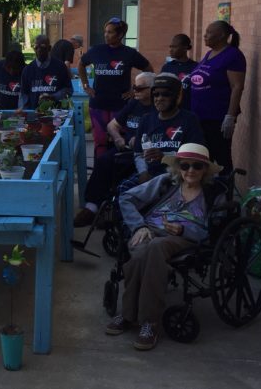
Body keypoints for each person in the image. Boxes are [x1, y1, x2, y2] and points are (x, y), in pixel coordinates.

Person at [106, 143, 223, 351]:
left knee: (155, 247)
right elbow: (126, 198)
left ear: (205, 169)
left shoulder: (212, 193)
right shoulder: (166, 182)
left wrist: (182, 230)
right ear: (178, 167)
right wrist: (139, 226)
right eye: (185, 165)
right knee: (140, 252)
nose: (190, 171)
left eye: (197, 166)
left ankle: (149, 321)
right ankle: (129, 315)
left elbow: (212, 230)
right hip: (151, 229)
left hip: (185, 237)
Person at [74, 72, 156, 227]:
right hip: (126, 147)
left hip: (145, 152)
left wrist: (140, 140)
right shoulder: (134, 103)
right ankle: (92, 207)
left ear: (152, 89)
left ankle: (111, 211)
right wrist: (118, 138)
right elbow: (112, 125)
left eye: (139, 88)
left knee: (120, 168)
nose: (135, 91)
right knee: (103, 160)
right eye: (134, 87)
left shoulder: (156, 109)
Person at [78, 18, 153, 158]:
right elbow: (81, 64)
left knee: (119, 141)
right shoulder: (96, 50)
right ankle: (100, 169)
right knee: (100, 141)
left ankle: (118, 169)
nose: (106, 35)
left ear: (120, 35)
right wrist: (86, 85)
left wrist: (134, 91)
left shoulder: (129, 53)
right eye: (105, 32)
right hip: (98, 103)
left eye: (110, 32)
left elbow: (148, 69)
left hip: (120, 105)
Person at [121, 73, 205, 195]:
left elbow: (194, 157)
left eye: (166, 94)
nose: (159, 98)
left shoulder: (189, 120)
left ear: (177, 97)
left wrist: (164, 157)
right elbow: (138, 154)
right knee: (123, 191)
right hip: (149, 173)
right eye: (156, 94)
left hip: (178, 175)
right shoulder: (146, 120)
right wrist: (143, 173)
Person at [190, 21, 246, 173]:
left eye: (209, 32)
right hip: (199, 116)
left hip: (217, 118)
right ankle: (205, 187)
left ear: (221, 35)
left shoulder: (233, 55)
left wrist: (230, 116)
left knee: (221, 157)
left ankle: (225, 186)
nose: (205, 35)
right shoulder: (210, 53)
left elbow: (237, 86)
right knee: (202, 157)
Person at [19, 34, 73, 110]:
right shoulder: (28, 70)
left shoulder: (60, 67)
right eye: (36, 47)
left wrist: (53, 97)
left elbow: (68, 90)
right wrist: (23, 110)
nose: (39, 50)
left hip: (56, 113)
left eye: (43, 47)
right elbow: (23, 94)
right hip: (34, 113)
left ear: (49, 48)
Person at [161, 33, 197, 110]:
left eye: (174, 47)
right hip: (169, 110)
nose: (171, 50)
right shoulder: (167, 67)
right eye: (170, 47)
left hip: (189, 111)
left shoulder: (196, 67)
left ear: (185, 48)